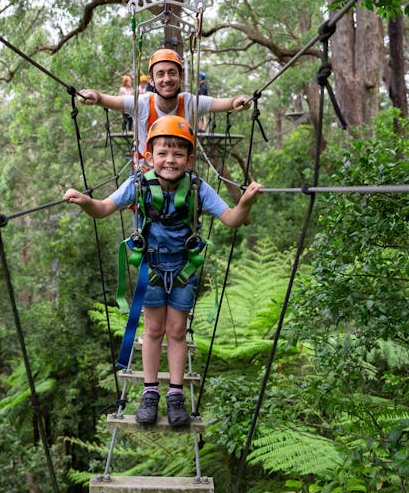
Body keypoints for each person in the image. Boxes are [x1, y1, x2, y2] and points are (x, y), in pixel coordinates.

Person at [64, 115, 263, 426]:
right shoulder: (138, 184)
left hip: (185, 267)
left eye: (178, 153)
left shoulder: (198, 188)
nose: (170, 160)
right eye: (162, 153)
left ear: (190, 159)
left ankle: (175, 395)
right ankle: (149, 392)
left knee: (178, 331)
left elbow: (232, 219)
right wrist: (85, 201)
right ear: (149, 156)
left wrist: (247, 202)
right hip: (152, 267)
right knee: (154, 330)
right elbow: (103, 209)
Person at [79, 49, 249, 155]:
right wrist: (93, 95)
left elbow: (225, 103)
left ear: (180, 77)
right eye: (160, 74)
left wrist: (238, 101)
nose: (166, 79)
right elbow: (104, 99)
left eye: (172, 73)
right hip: (145, 178)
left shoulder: (190, 102)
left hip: (179, 177)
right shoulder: (141, 104)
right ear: (151, 81)